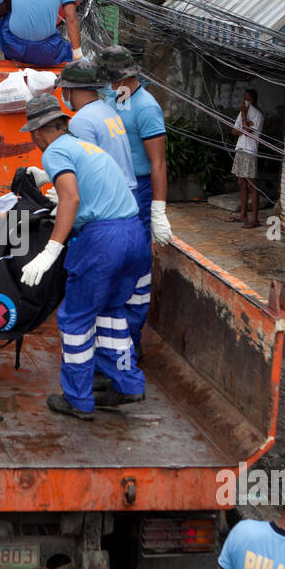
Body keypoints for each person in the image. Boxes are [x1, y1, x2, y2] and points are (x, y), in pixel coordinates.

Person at [18, 93, 145, 420]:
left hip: (102, 241)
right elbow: (85, 192)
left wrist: (50, 250)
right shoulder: (86, 148)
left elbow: (71, 199)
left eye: (34, 136)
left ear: (38, 132)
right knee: (111, 314)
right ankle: (127, 383)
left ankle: (77, 397)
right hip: (133, 234)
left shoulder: (55, 150)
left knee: (76, 319)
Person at [98, 45, 170, 349]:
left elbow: (158, 162)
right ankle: (111, 335)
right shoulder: (110, 98)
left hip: (137, 191)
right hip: (110, 187)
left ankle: (130, 340)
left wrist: (158, 210)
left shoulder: (146, 107)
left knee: (134, 266)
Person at [56, 60, 137, 189]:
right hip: (126, 191)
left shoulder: (81, 121)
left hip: (109, 196)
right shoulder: (107, 110)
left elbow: (87, 170)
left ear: (68, 89)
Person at [231, 89, 263, 229]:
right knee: (241, 183)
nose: (245, 102)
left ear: (254, 100)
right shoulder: (242, 113)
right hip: (240, 149)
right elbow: (235, 131)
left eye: (248, 99)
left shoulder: (257, 115)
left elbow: (246, 131)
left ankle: (255, 218)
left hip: (250, 151)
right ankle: (243, 214)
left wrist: (244, 116)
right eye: (244, 99)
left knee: (252, 185)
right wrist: (245, 123)